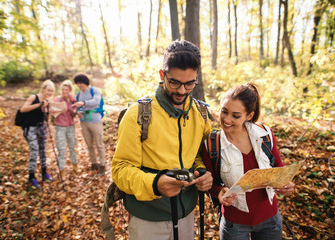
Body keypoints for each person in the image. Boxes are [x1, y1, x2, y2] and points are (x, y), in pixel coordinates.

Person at [111, 40, 213, 240]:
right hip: (147, 220)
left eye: (190, 83)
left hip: (186, 215)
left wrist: (202, 172)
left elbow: (200, 156)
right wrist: (155, 183)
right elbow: (120, 169)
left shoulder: (200, 113)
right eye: (174, 82)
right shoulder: (138, 114)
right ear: (162, 75)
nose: (182, 91)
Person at [203, 83, 295, 240]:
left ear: (249, 116)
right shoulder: (211, 144)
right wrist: (219, 191)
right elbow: (208, 183)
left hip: (270, 220)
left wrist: (286, 183)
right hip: (234, 225)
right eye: (224, 111)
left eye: (235, 115)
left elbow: (278, 165)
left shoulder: (264, 134)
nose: (226, 119)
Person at [20, 79, 55, 189]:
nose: (49, 93)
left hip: (42, 128)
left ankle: (44, 172)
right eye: (48, 90)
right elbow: (23, 109)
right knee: (34, 150)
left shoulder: (47, 101)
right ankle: (31, 176)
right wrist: (39, 105)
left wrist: (47, 109)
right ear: (43, 89)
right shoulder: (33, 98)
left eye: (52, 91)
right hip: (31, 128)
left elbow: (46, 117)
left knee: (43, 150)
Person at [72, 73, 106, 176]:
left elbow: (96, 101)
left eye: (81, 83)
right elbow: (79, 106)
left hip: (95, 120)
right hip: (84, 121)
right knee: (89, 144)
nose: (80, 85)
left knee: (99, 144)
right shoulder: (78, 94)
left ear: (85, 82)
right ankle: (94, 163)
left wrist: (83, 103)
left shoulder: (94, 91)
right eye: (78, 83)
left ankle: (102, 165)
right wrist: (78, 110)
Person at [51, 80, 78, 175]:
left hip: (70, 126)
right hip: (60, 127)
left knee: (72, 147)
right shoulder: (58, 99)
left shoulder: (73, 100)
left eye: (66, 90)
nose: (64, 92)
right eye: (62, 90)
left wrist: (72, 110)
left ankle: (75, 165)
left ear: (70, 90)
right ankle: (61, 169)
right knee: (61, 149)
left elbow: (75, 112)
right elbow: (52, 110)